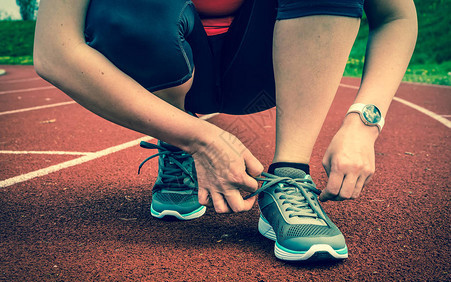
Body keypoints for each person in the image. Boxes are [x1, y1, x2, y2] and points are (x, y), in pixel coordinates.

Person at [34, 0, 417, 261]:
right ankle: (177, 145)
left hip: (265, 66)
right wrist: (198, 138)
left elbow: (396, 16)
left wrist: (365, 121)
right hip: (171, 59)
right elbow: (55, 50)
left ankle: (289, 175)